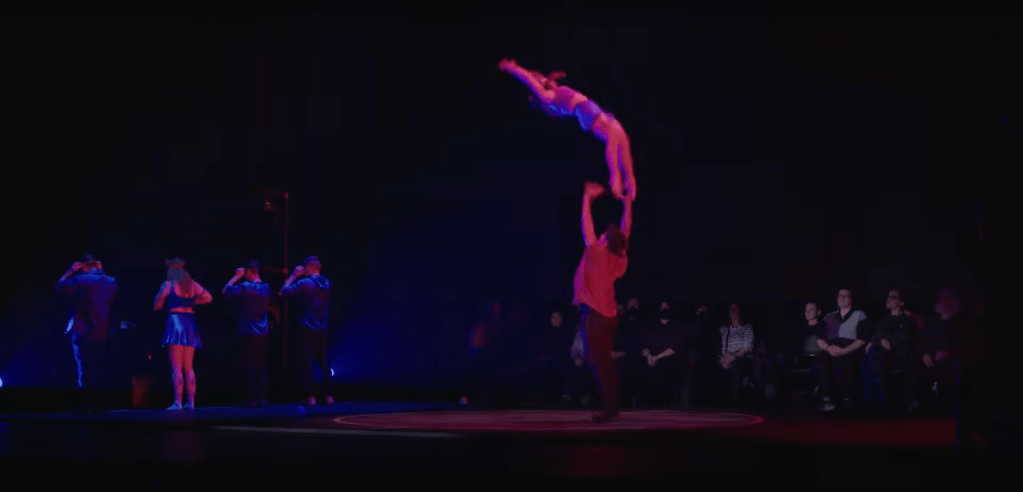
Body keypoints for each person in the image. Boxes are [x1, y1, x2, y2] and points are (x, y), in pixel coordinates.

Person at [498, 58, 637, 201]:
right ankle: (615, 180)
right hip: (587, 113)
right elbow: (528, 79)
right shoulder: (547, 97)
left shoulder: (554, 92)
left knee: (620, 134)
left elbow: (540, 79)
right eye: (542, 80)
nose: (547, 79)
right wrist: (511, 68)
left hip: (591, 111)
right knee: (612, 138)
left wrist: (546, 76)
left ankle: (629, 179)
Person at [572, 181, 633, 422]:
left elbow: (586, 226)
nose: (600, 235)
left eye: (604, 235)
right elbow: (626, 230)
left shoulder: (597, 254)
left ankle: (611, 407)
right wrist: (627, 204)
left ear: (606, 241)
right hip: (607, 316)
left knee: (597, 361)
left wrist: (587, 199)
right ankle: (612, 404)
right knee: (600, 361)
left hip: (596, 316)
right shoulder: (619, 258)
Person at [54, 254, 118, 414]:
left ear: (82, 266)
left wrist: (70, 271)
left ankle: (87, 403)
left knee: (83, 367)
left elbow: (59, 287)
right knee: (100, 366)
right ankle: (100, 403)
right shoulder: (112, 281)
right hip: (104, 330)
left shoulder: (80, 279)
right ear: (98, 265)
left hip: (83, 329)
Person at [154, 258, 213, 410]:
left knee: (176, 367)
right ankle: (191, 402)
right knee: (189, 367)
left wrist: (164, 300)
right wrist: (192, 302)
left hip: (175, 321)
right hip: (190, 322)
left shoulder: (168, 285)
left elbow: (156, 306)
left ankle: (178, 402)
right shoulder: (193, 285)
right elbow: (208, 298)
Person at [280, 256, 333, 405]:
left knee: (308, 362)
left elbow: (283, 292)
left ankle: (311, 397)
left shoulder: (305, 283)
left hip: (307, 327)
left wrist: (293, 276)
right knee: (324, 361)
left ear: (308, 268)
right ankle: (329, 395)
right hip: (323, 327)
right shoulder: (327, 283)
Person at [223, 260, 272, 407]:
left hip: (247, 331)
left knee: (249, 365)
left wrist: (236, 277)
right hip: (262, 332)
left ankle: (251, 399)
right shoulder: (267, 287)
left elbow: (225, 291)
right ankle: (262, 398)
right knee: (261, 364)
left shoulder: (245, 286)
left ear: (249, 272)